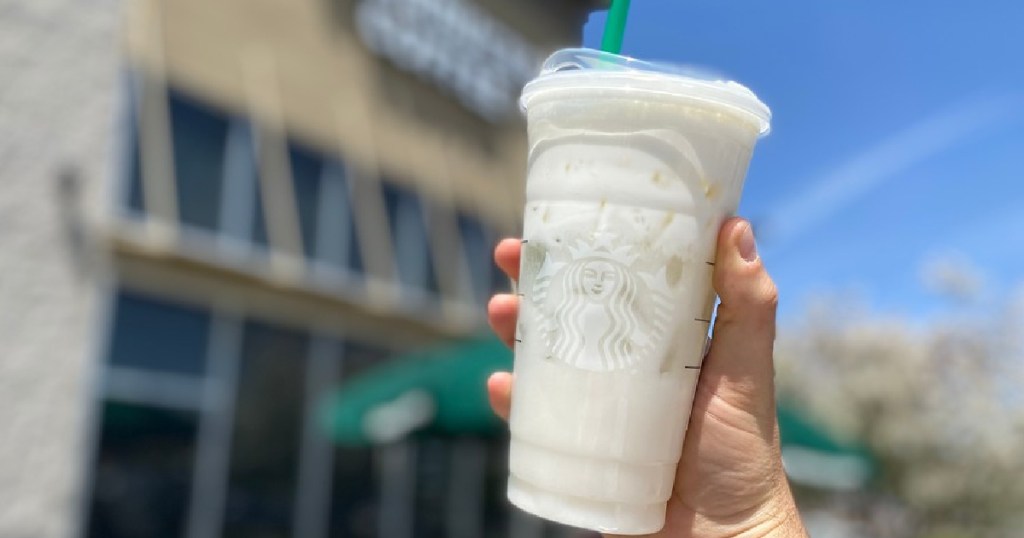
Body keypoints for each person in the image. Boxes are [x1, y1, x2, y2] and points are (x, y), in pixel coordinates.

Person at [485, 218, 809, 538]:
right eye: (591, 273)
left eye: (606, 277)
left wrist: (746, 525)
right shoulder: (568, 318)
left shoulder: (623, 324)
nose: (598, 282)